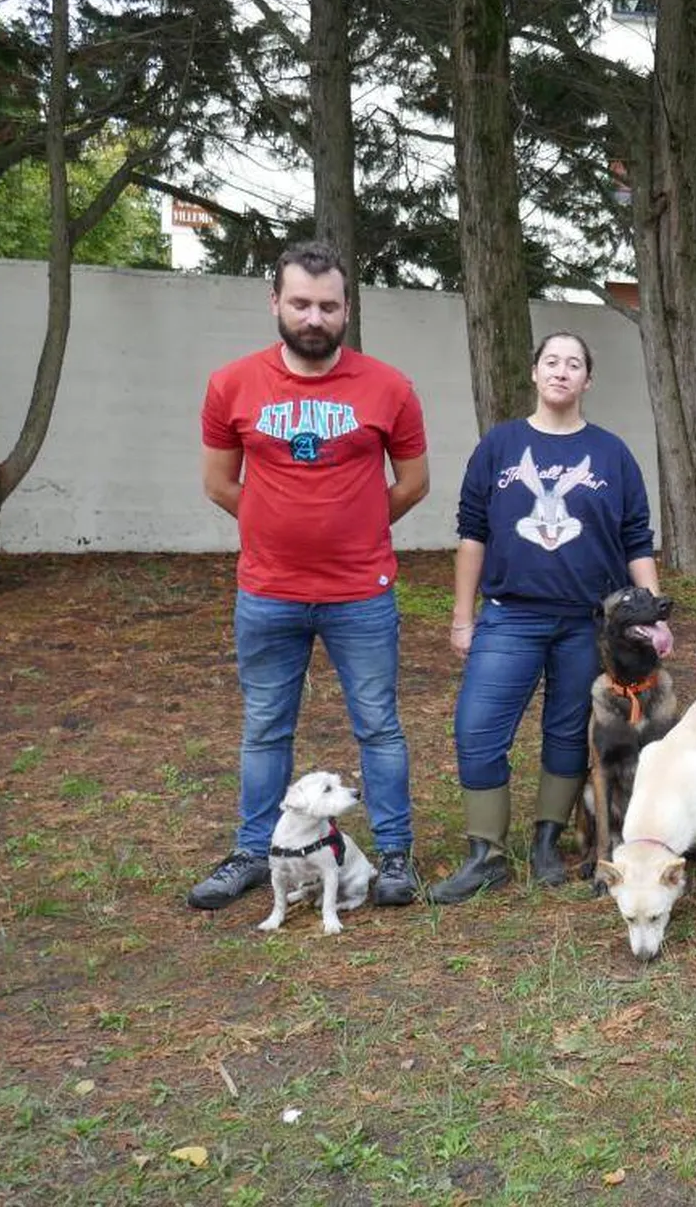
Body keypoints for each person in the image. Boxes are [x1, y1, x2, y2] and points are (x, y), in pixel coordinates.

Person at [190, 240, 431, 910]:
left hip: (361, 592)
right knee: (266, 726)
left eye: (328, 305)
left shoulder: (389, 387)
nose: (314, 317)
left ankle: (393, 854)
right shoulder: (232, 384)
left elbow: (412, 484)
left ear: (347, 308)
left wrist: (353, 526)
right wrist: (275, 521)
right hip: (267, 591)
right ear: (276, 302)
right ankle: (252, 850)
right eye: (300, 302)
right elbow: (218, 482)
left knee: (378, 725)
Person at [428, 332, 660, 903]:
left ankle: (547, 844)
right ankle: (485, 854)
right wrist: (464, 616)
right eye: (551, 361)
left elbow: (636, 539)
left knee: (564, 733)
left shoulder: (612, 455)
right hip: (510, 616)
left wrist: (652, 614)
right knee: (477, 729)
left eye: (574, 363)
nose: (561, 371)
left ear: (588, 380)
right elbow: (472, 533)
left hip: (586, 622)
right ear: (534, 372)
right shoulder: (499, 446)